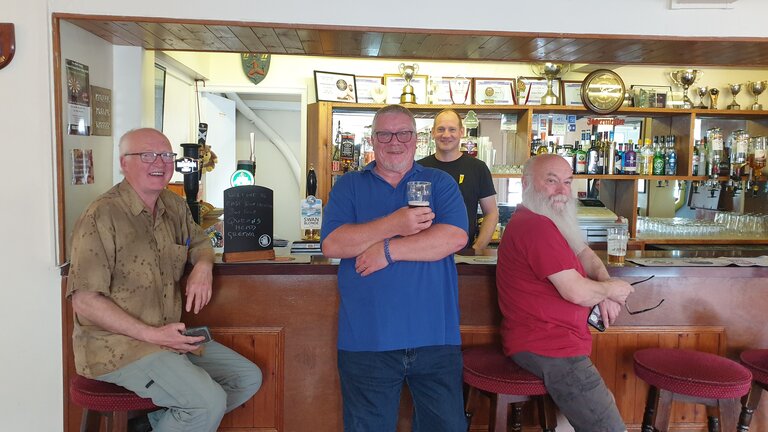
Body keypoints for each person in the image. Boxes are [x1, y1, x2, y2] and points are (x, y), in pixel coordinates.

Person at [66, 128, 262, 432]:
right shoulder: (101, 216)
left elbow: (199, 243)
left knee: (246, 377)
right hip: (116, 348)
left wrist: (203, 266)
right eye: (147, 155)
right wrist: (151, 335)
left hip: (168, 338)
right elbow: (85, 301)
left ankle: (158, 425)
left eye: (167, 155)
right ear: (123, 163)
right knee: (206, 402)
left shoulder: (174, 206)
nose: (159, 162)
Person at [321, 105, 469, 432]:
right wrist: (395, 223)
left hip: (435, 337)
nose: (395, 142)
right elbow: (333, 243)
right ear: (372, 140)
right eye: (385, 134)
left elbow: (454, 237)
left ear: (417, 140)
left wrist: (387, 251)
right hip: (366, 339)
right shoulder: (349, 185)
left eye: (404, 133)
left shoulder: (439, 182)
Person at [496, 154, 634, 432]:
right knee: (608, 427)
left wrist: (604, 284)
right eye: (551, 181)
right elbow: (576, 292)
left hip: (553, 342)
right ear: (525, 183)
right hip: (549, 346)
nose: (561, 190)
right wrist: (614, 290)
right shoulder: (535, 226)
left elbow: (584, 253)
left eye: (567, 182)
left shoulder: (548, 221)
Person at [418, 109, 498, 251]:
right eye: (441, 129)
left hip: (463, 256)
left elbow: (491, 213)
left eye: (452, 129)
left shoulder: (477, 168)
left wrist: (477, 248)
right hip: (424, 254)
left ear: (461, 132)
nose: (446, 135)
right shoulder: (419, 168)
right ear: (432, 132)